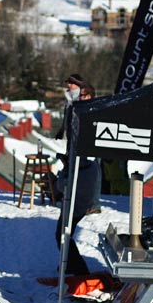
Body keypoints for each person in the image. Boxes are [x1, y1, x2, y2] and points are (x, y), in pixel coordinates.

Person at [55, 83, 101, 276]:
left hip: (81, 189)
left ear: (91, 96)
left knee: (62, 234)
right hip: (75, 181)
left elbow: (88, 163)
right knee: (62, 233)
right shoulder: (78, 115)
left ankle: (79, 271)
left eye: (84, 95)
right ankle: (71, 267)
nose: (81, 98)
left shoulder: (92, 119)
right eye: (78, 95)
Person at [54, 74, 85, 140]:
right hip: (68, 130)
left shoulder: (82, 96)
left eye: (71, 83)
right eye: (68, 83)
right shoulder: (68, 96)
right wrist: (62, 129)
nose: (68, 85)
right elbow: (66, 115)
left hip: (79, 131)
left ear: (77, 84)